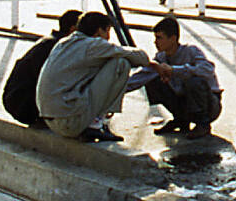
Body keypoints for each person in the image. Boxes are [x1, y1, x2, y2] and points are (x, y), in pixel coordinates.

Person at [36, 11, 156, 141]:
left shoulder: (63, 42)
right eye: (107, 31)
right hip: (69, 122)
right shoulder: (92, 45)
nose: (108, 37)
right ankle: (96, 125)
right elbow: (140, 56)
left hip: (51, 120)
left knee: (104, 62)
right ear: (99, 31)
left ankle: (94, 122)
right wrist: (157, 66)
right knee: (120, 64)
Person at [129, 17, 222, 139]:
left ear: (173, 39)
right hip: (184, 101)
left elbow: (207, 69)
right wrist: (115, 88)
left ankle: (202, 124)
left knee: (194, 81)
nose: (155, 42)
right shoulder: (160, 58)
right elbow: (141, 76)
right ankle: (180, 119)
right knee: (153, 79)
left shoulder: (191, 51)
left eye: (159, 38)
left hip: (209, 105)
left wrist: (175, 71)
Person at [3, 8, 81, 127]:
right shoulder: (55, 46)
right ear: (72, 30)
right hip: (23, 104)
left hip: (19, 100)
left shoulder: (54, 42)